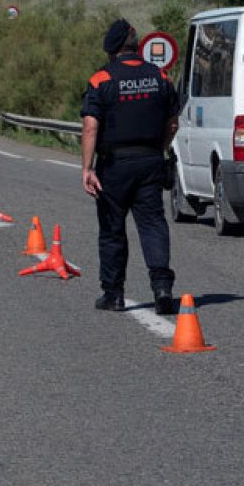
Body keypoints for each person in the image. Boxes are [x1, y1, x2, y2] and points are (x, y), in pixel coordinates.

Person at [81, 19, 180, 315]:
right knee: (152, 224)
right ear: (136, 47)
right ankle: (162, 289)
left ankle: (114, 294)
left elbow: (90, 127)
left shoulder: (101, 80)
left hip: (114, 165)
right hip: (150, 161)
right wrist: (157, 150)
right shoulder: (161, 77)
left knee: (112, 230)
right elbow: (173, 123)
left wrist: (87, 168)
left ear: (111, 50)